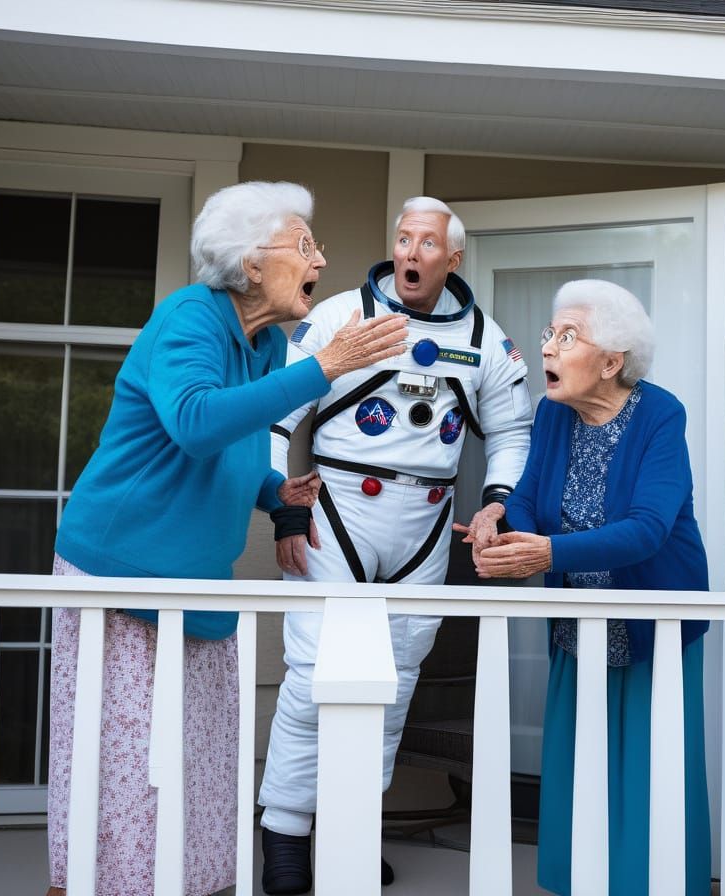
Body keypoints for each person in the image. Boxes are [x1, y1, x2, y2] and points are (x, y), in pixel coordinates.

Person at [46, 180, 409, 896]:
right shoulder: (188, 318)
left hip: (195, 581)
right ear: (251, 263)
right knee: (127, 770)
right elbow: (196, 421)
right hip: (121, 576)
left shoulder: (267, 343)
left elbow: (234, 447)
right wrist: (327, 365)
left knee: (199, 762)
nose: (321, 258)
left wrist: (277, 495)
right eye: (305, 245)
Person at [257, 196, 532, 893]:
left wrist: (497, 500)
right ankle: (285, 834)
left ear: (453, 257)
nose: (411, 253)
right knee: (311, 677)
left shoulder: (483, 338)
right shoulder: (338, 316)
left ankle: (352, 826)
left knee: (396, 682)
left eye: (427, 244)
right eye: (403, 239)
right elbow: (275, 413)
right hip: (337, 514)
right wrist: (283, 513)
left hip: (426, 527)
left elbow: (511, 431)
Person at [457, 279, 712, 896]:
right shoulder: (553, 413)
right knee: (579, 767)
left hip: (654, 628)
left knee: (651, 774)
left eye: (566, 336)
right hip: (577, 624)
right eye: (549, 333)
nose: (548, 346)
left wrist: (545, 552)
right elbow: (531, 498)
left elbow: (648, 529)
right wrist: (499, 519)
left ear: (611, 361)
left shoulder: (659, 414)